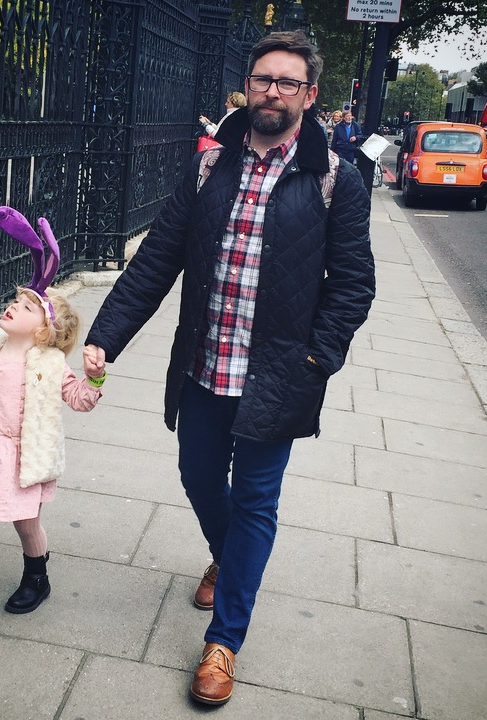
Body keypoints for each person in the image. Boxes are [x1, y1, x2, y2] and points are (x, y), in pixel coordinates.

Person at [84, 30, 374, 706]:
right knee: (197, 476)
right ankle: (230, 555)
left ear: (309, 95)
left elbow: (353, 285)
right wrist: (104, 338)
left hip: (278, 375)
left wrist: (316, 360)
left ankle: (224, 642)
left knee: (256, 501)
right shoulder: (209, 166)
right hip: (205, 365)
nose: (273, 92)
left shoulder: (336, 177)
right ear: (248, 85)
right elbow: (158, 258)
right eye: (263, 79)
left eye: (287, 83)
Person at [0, 209, 107, 649]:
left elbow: (79, 400)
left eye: (27, 306)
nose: (14, 306)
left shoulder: (51, 363)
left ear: (45, 328)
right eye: (16, 301)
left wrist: (94, 378)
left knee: (27, 525)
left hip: (23, 460)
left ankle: (36, 577)